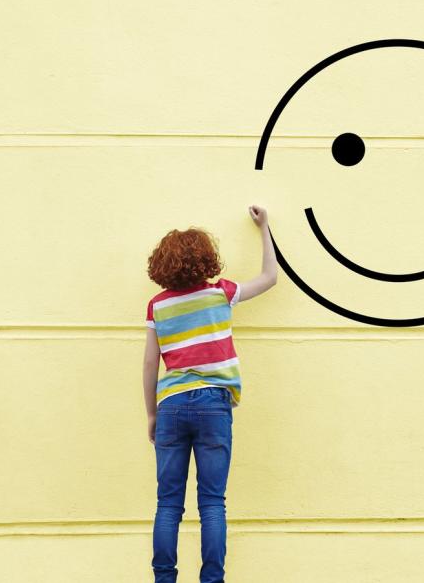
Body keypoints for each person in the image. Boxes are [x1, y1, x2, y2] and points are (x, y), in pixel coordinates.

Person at [143, 205, 277, 583]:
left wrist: (151, 414)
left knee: (168, 504)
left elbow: (150, 365)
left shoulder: (158, 306)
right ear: (206, 258)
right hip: (214, 405)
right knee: (212, 503)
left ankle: (164, 578)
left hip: (171, 405)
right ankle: (212, 579)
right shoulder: (221, 294)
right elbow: (270, 277)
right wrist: (265, 227)